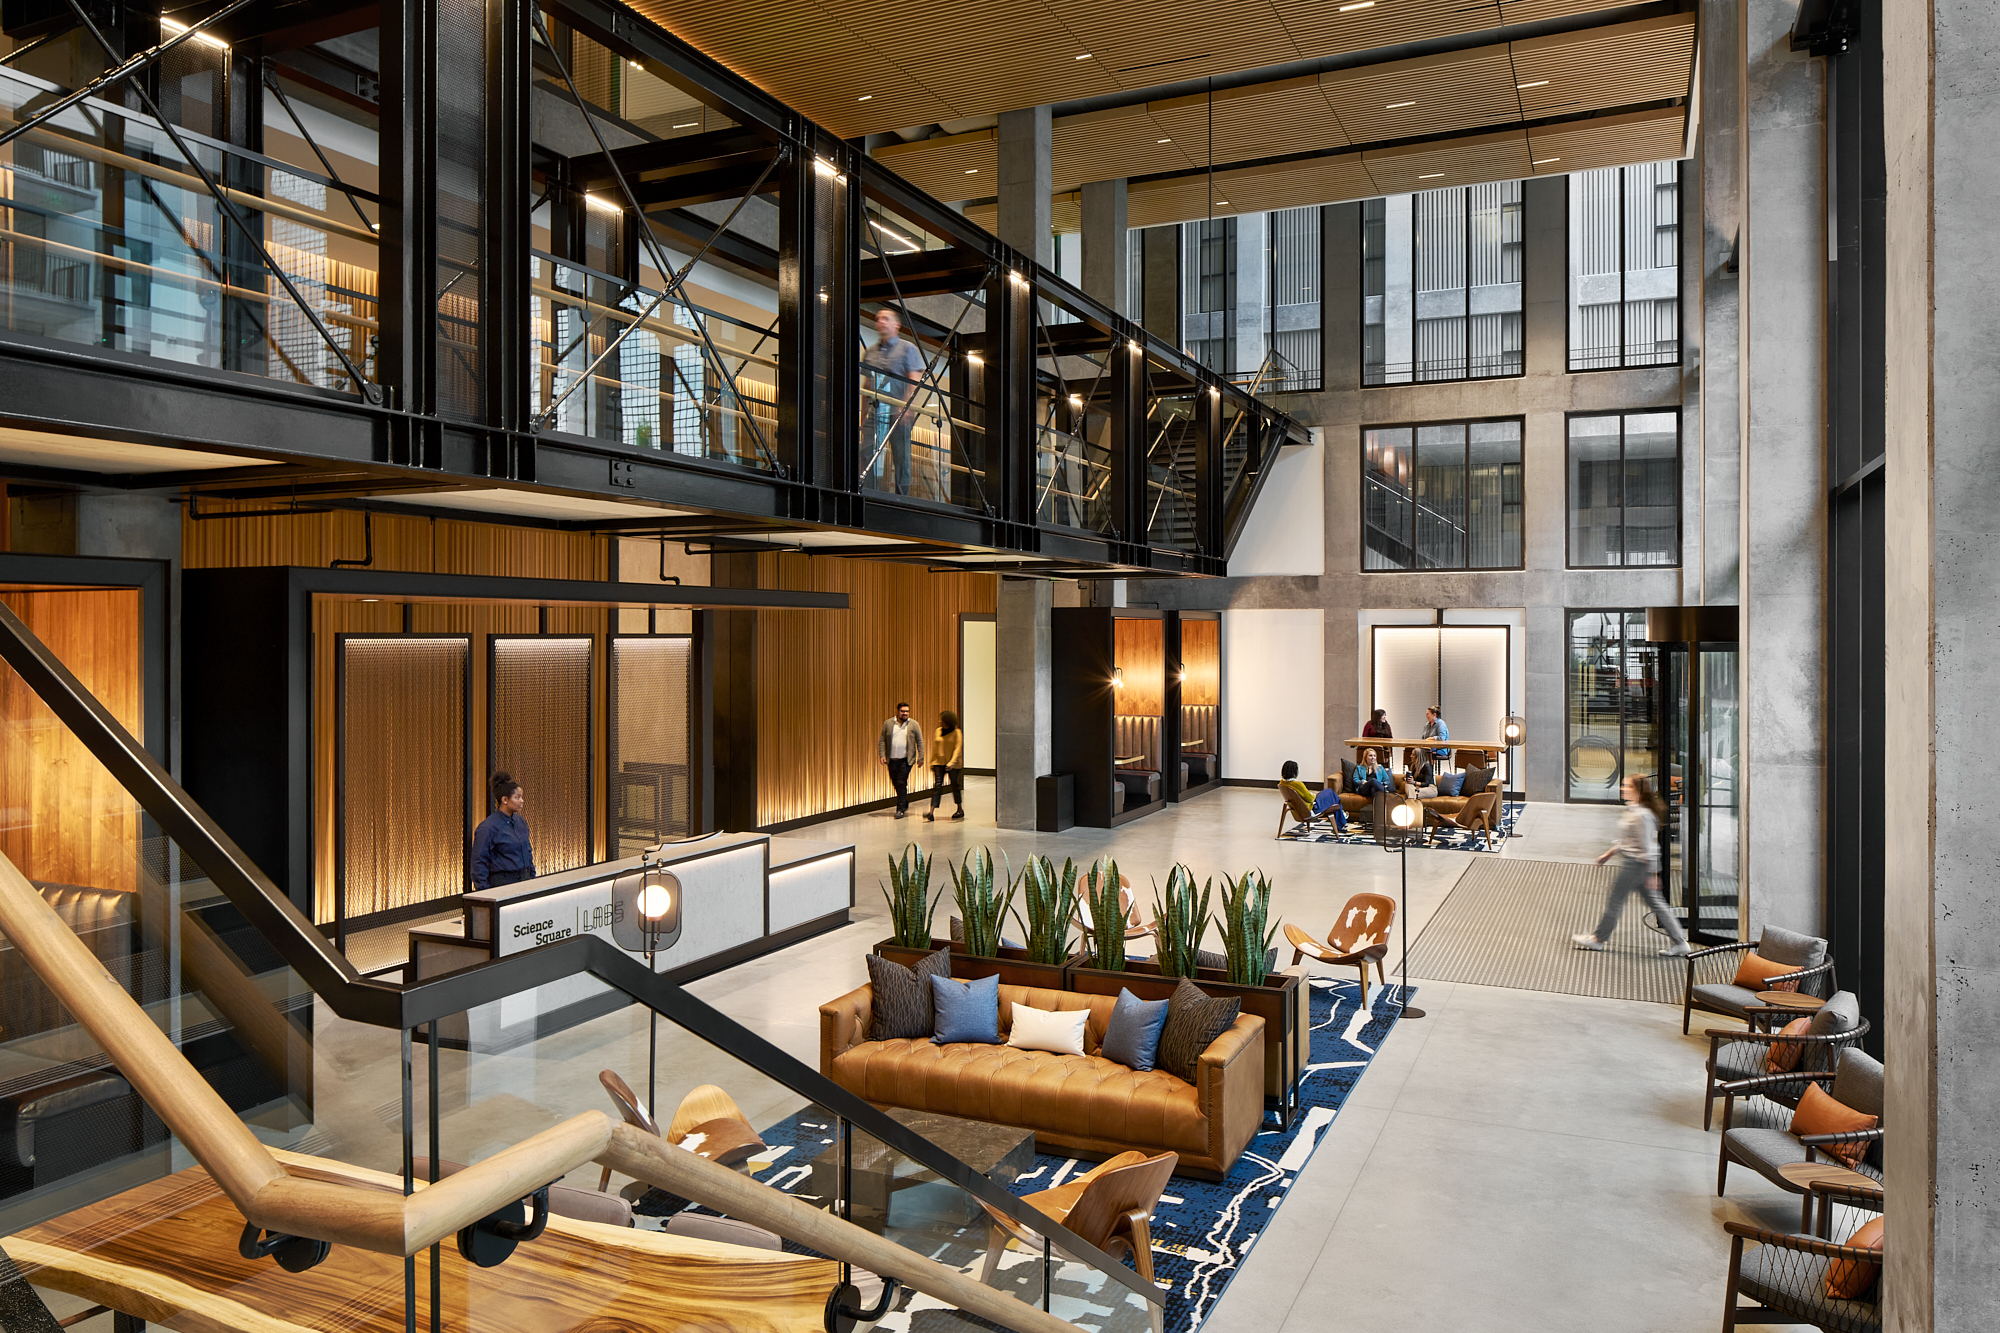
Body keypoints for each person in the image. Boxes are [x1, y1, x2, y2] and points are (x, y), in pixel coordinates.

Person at [1572, 775, 1690, 956]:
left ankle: (1598, 939)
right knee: (1656, 903)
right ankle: (1680, 941)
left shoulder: (1642, 815)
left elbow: (1647, 847)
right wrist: (1608, 855)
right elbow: (1627, 841)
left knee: (1616, 900)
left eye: (1627, 786)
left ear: (1638, 791)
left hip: (1636, 865)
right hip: (1637, 864)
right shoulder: (1634, 811)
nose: (1622, 789)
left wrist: (1653, 874)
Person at [861, 308, 924, 495]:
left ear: (896, 324)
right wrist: (862, 413)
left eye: (885, 318)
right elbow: (867, 383)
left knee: (900, 455)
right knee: (866, 450)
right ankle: (868, 490)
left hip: (898, 413)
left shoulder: (907, 349)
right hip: (875, 411)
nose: (880, 321)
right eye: (878, 318)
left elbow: (915, 380)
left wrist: (906, 407)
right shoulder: (870, 352)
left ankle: (902, 496)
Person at [471, 771, 536, 891]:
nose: (521, 801)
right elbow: (479, 861)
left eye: (521, 797)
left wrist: (531, 876)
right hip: (503, 882)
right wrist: (484, 891)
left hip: (524, 879)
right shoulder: (488, 827)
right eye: (517, 798)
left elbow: (527, 850)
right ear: (505, 800)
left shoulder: (520, 821)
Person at [878, 702, 924, 818]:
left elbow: (920, 741)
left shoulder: (914, 724)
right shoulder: (888, 723)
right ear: (897, 711)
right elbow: (882, 740)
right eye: (902, 711)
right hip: (892, 759)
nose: (905, 713)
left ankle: (900, 809)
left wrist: (921, 757)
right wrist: (882, 754)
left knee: (901, 782)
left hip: (906, 760)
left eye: (907, 711)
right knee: (895, 783)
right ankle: (904, 802)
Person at [926, 709, 965, 821]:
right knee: (937, 786)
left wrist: (951, 763)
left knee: (955, 786)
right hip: (939, 763)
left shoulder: (957, 732)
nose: (940, 721)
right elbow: (936, 748)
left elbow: (958, 749)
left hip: (953, 764)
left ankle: (959, 809)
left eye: (942, 720)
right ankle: (931, 811)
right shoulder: (938, 731)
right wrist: (932, 762)